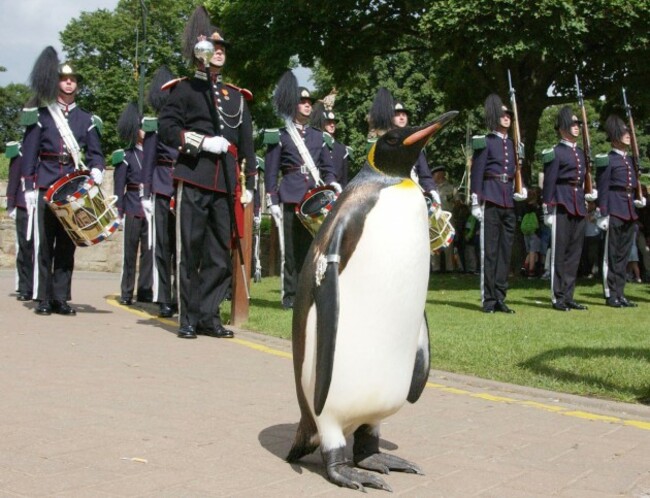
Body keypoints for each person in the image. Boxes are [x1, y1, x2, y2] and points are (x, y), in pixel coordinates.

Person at [158, 6, 257, 338]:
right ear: (201, 53)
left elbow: (247, 147)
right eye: (214, 48)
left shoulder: (236, 98)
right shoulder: (185, 89)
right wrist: (200, 142)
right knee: (190, 249)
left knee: (218, 255)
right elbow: (168, 129)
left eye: (223, 49)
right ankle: (186, 317)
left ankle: (208, 314)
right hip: (195, 175)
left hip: (226, 183)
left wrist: (250, 185)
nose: (220, 53)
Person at [21, 47, 105, 316]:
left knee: (68, 245)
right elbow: (30, 152)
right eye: (64, 78)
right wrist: (29, 186)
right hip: (47, 182)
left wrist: (98, 170)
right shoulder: (43, 115)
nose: (69, 82)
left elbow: (95, 153)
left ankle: (60, 298)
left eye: (73, 79)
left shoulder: (87, 119)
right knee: (45, 244)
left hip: (72, 187)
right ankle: (43, 297)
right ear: (56, 82)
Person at [264, 71, 338, 310]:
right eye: (303, 102)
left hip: (315, 199)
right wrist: (272, 199)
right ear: (293, 105)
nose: (307, 106)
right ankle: (290, 295)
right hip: (291, 196)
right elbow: (272, 170)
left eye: (309, 103)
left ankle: (312, 293)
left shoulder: (320, 137)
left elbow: (327, 168)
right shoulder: (282, 136)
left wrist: (333, 183)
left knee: (315, 248)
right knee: (291, 250)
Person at [470, 94, 527, 313]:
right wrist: (476, 200)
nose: (507, 117)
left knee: (505, 252)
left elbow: (517, 171)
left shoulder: (514, 145)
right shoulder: (485, 142)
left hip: (508, 200)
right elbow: (477, 172)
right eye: (503, 114)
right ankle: (489, 298)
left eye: (509, 115)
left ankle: (501, 296)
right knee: (490, 251)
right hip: (491, 198)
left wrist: (520, 189)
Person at [542, 106, 596, 311]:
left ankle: (569, 294)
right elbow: (549, 183)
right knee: (560, 252)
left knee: (574, 253)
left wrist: (589, 193)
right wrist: (547, 209)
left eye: (578, 124)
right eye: (573, 124)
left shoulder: (582, 153)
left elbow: (583, 179)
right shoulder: (555, 153)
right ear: (563, 127)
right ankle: (558, 296)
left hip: (578, 204)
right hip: (562, 203)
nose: (577, 128)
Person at [595, 114, 645, 307]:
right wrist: (602, 212)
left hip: (629, 208)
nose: (628, 135)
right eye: (624, 132)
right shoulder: (608, 160)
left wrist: (638, 197)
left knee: (624, 254)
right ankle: (610, 293)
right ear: (615, 136)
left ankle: (620, 292)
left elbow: (633, 184)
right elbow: (604, 187)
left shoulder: (631, 160)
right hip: (614, 208)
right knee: (612, 254)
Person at [141, 66, 178, 318]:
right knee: (164, 247)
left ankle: (180, 295)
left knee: (184, 248)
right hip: (163, 187)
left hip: (184, 187)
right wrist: (146, 193)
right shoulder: (154, 127)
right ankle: (164, 297)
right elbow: (149, 161)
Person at [112, 102, 153, 306]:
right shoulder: (126, 156)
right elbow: (119, 187)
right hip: (131, 206)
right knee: (130, 252)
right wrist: (118, 212)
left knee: (149, 252)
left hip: (150, 208)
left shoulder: (154, 155)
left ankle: (145, 290)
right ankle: (126, 291)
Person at [5, 141, 34, 301]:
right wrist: (11, 204)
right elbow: (14, 177)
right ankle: (25, 287)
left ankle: (39, 286)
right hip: (24, 204)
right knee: (25, 248)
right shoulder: (22, 150)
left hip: (44, 203)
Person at [310, 101, 351, 188]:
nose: (332, 125)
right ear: (323, 124)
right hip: (319, 188)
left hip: (337, 190)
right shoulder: (317, 143)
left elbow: (344, 177)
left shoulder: (342, 148)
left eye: (333, 123)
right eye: (328, 122)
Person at [430, 165, 457, 272]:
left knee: (448, 242)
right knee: (434, 241)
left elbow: (458, 202)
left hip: (447, 217)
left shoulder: (451, 188)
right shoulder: (431, 188)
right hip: (434, 218)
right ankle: (435, 268)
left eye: (435, 174)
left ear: (440, 174)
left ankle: (449, 268)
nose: (433, 177)